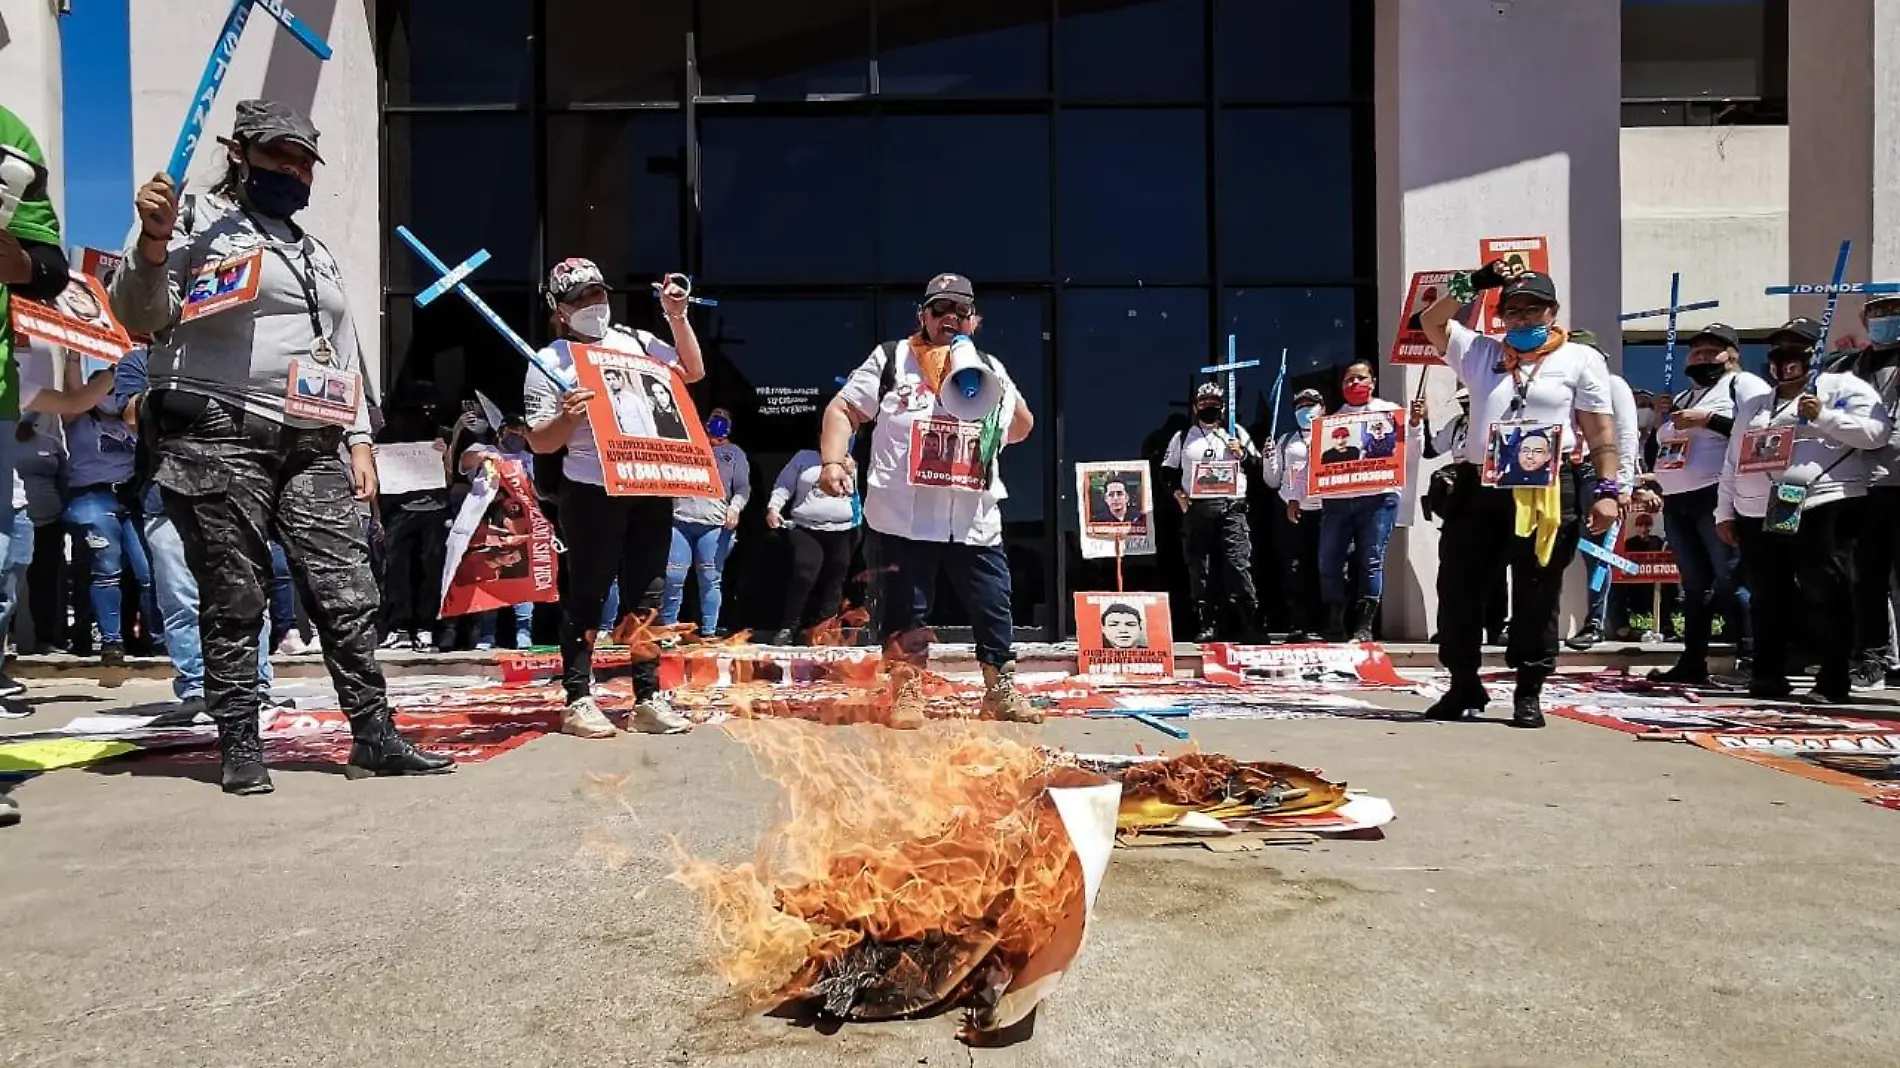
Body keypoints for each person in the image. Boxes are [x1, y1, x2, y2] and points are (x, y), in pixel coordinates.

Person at [110, 99, 453, 794]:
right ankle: (240, 742)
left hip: (310, 438)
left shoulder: (312, 249)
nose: (293, 171)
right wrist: (151, 244)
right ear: (239, 152)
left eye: (302, 161)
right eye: (279, 156)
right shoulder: (192, 222)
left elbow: (343, 350)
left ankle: (374, 736)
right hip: (218, 433)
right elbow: (139, 314)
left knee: (346, 589)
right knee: (236, 594)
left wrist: (357, 435)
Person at [817, 272, 1041, 722]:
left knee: (993, 604)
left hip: (972, 519)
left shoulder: (988, 367)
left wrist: (991, 390)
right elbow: (843, 409)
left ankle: (999, 691)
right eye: (941, 310)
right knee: (905, 609)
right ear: (924, 314)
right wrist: (833, 461)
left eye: (962, 312)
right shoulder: (892, 359)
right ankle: (906, 692)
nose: (951, 319)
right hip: (904, 517)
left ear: (974, 320)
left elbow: (1021, 428)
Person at [1417, 266, 1623, 727]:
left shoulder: (1580, 359)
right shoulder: (1481, 352)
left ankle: (1529, 690)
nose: (1523, 317)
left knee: (1537, 590)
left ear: (1552, 312)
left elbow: (1600, 432)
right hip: (1480, 486)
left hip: (1547, 490)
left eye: (1534, 308)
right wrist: (1475, 282)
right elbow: (1430, 323)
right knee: (1458, 588)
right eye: (1513, 309)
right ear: (1501, 315)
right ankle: (1463, 684)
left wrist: (1607, 491)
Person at [523, 256, 704, 739]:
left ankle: (647, 697)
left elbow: (691, 370)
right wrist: (566, 417)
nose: (592, 305)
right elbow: (541, 440)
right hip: (591, 487)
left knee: (648, 594)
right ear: (560, 309)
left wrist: (676, 315)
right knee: (588, 594)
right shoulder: (548, 360)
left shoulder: (635, 341)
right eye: (580, 298)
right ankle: (578, 697)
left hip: (649, 480)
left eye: (597, 293)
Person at [1716, 317, 1890, 703]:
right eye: (1778, 349)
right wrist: (1724, 510)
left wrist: (1824, 417)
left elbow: (1876, 433)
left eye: (1795, 348)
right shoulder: (1757, 404)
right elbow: (1733, 457)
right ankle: (1767, 675)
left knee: (1825, 591)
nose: (1784, 358)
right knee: (1767, 594)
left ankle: (1833, 679)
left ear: (1814, 351)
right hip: (1760, 509)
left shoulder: (1843, 387)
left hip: (1824, 501)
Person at [112, 344, 283, 724]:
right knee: (181, 599)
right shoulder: (139, 362)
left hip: (236, 490)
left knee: (247, 594)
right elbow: (130, 415)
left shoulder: (232, 352)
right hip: (165, 494)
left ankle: (256, 689)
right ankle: (195, 689)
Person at [1630, 323, 1766, 679]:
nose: (1702, 358)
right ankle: (1693, 661)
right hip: (1679, 499)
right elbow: (1661, 450)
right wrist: (1664, 421)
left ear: (1731, 355)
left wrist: (1710, 420)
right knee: (1694, 585)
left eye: (1712, 352)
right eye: (1696, 352)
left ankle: (1754, 658)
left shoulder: (1743, 385)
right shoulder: (1686, 397)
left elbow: (1762, 431)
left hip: (1717, 494)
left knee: (1731, 578)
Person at [59, 356, 157, 662]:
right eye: (102, 389)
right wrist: (73, 355)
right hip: (92, 497)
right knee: (106, 569)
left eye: (115, 389)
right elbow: (73, 390)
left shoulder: (131, 420)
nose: (110, 397)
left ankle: (158, 639)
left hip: (130, 497)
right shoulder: (78, 419)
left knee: (148, 572)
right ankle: (111, 641)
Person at [1315, 360, 1416, 642]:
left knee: (1371, 558)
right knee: (1329, 559)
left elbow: (1412, 449)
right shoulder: (1332, 422)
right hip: (1338, 499)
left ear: (1372, 381)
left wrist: (1417, 425)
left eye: (1360, 378)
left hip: (1378, 498)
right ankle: (1335, 622)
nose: (1354, 384)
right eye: (1348, 380)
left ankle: (1363, 626)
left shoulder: (1390, 413)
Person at [1834, 295, 1900, 688]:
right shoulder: (1847, 367)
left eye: (1894, 313)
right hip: (1858, 481)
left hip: (1899, 477)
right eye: (1878, 313)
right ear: (1864, 319)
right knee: (1866, 577)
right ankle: (1874, 658)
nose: (1886, 319)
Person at [1161, 381, 1260, 643]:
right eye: (1203, 403)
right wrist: (1177, 494)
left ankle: (1249, 622)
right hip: (1198, 510)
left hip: (1232, 509)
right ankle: (1208, 624)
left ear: (1223, 407)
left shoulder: (1235, 432)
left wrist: (1243, 455)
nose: (1209, 408)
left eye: (1214, 404)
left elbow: (1257, 465)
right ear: (1195, 407)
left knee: (1237, 565)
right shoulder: (1183, 437)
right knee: (1200, 569)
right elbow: (1167, 471)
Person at [1562, 329, 1640, 651]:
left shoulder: (1613, 385)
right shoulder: (1564, 388)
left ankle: (1597, 621)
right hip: (1568, 469)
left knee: (1597, 548)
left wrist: (1621, 486)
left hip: (1598, 472)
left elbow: (1626, 433)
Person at [661, 406, 748, 636]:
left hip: (714, 524)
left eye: (722, 424)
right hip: (680, 520)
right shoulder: (685, 446)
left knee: (710, 578)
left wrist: (735, 508)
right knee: (673, 576)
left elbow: (742, 487)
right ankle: (667, 629)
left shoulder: (734, 453)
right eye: (713, 423)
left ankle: (709, 632)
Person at [766, 447, 861, 645]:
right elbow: (784, 484)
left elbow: (854, 494)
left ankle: (824, 630)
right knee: (804, 573)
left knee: (836, 579)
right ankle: (788, 627)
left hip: (842, 529)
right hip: (807, 526)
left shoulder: (850, 460)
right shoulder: (804, 457)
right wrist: (774, 507)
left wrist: (852, 471)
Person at [1262, 389, 1323, 641]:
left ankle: (1327, 622)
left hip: (1325, 510)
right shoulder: (1286, 440)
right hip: (1291, 513)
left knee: (1327, 567)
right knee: (1294, 569)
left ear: (1323, 407)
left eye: (1311, 404)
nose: (1305, 409)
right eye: (1300, 405)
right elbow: (1272, 480)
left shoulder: (1334, 435)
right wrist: (1268, 459)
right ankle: (1298, 624)